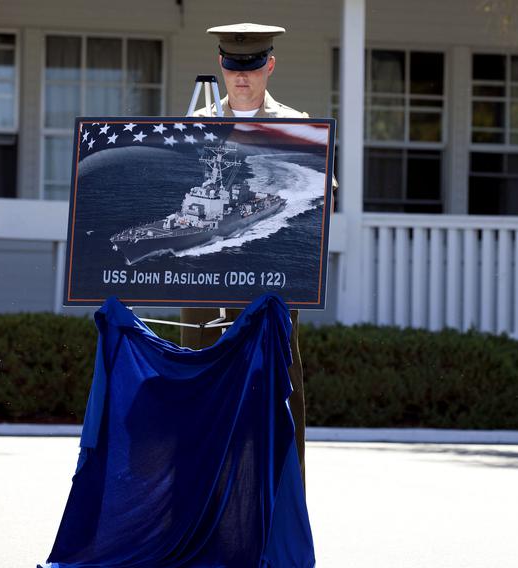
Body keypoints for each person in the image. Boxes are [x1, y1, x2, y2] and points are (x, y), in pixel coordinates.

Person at [181, 22, 310, 481]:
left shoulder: (297, 126)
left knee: (277, 400)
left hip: (270, 289)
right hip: (202, 286)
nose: (242, 77)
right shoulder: (194, 125)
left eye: (252, 66)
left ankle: (280, 523)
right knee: (196, 396)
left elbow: (320, 196)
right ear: (221, 64)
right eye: (234, 66)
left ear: (269, 66)